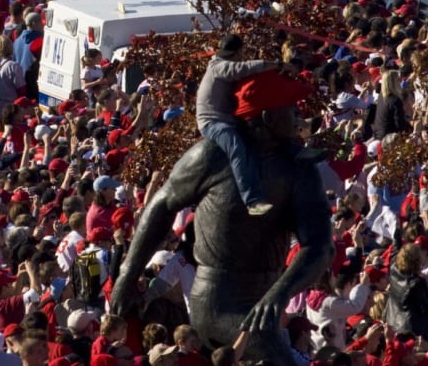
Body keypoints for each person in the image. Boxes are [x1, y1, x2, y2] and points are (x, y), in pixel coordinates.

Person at [112, 68, 333, 363]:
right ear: (266, 117)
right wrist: (128, 274)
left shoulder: (298, 168)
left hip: (266, 295)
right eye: (290, 109)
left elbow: (319, 245)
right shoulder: (213, 155)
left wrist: (280, 294)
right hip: (217, 300)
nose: (298, 117)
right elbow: (162, 205)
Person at [194, 35, 287, 215]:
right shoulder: (219, 67)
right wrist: (278, 64)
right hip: (213, 123)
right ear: (237, 52)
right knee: (236, 147)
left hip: (228, 119)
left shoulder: (220, 65)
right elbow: (241, 69)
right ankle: (252, 201)